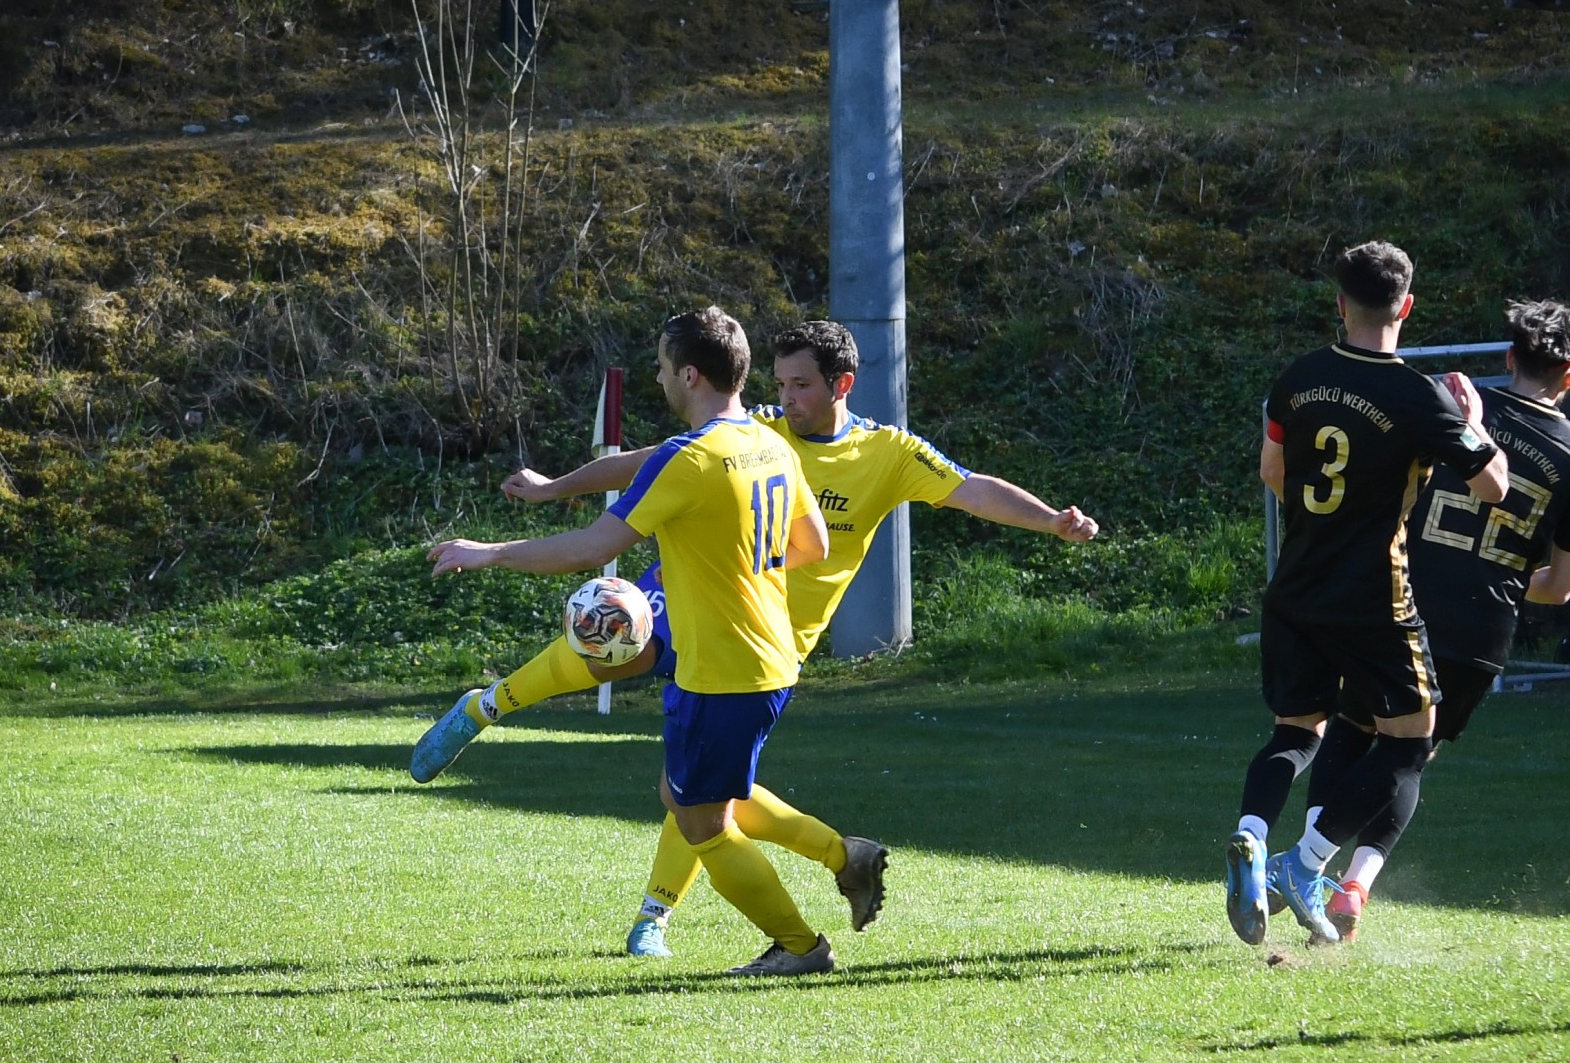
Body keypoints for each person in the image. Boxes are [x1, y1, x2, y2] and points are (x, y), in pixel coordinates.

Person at [416, 319, 1099, 956]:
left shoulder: (885, 453)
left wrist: (1049, 522)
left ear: (842, 386)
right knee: (616, 643)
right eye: (779, 383)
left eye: (801, 385)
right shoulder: (763, 432)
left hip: (762, 636)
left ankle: (674, 917)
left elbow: (973, 489)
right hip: (706, 602)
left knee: (696, 797)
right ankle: (487, 706)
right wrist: (555, 488)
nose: (788, 397)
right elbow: (647, 463)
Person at [426, 306, 851, 977]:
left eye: (660, 366)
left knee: (701, 824)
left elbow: (593, 547)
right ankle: (841, 859)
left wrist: (490, 551)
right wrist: (732, 571)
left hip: (721, 670)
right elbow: (814, 544)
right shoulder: (772, 444)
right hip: (770, 659)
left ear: (689, 373)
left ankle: (800, 946)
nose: (656, 377)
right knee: (686, 797)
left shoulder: (690, 458)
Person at [1226, 240, 1508, 947]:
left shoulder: (1297, 379)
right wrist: (1469, 417)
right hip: (1375, 599)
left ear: (1339, 303)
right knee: (1413, 741)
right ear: (1406, 307)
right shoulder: (1419, 397)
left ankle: (1251, 837)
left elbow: (1272, 470)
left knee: (1296, 733)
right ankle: (1306, 863)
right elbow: (1493, 486)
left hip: (1296, 587)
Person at [1298, 299, 1570, 940]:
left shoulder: (1455, 406)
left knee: (1355, 732)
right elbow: (1560, 587)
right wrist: (1499, 586)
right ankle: (1355, 884)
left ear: (1509, 358)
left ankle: (1305, 869)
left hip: (1398, 600)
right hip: (1480, 633)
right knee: (1411, 754)